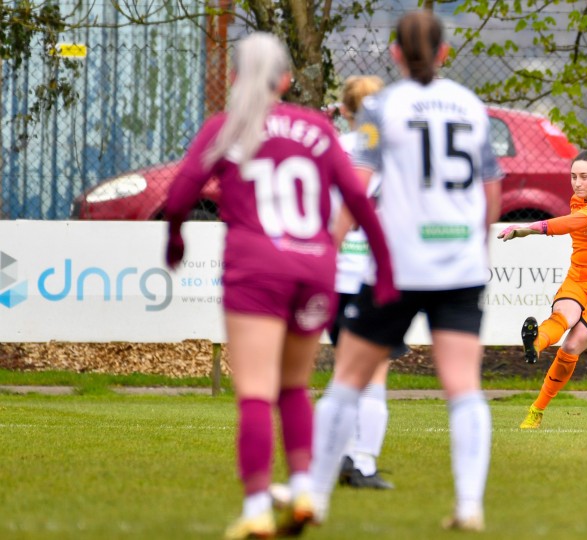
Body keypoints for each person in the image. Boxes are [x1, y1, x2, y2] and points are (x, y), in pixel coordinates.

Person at [163, 32, 397, 540]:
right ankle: (307, 491)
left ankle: (255, 507)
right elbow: (358, 200)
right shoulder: (316, 126)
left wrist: (174, 241)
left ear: (236, 78)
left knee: (254, 391)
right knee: (294, 386)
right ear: (287, 80)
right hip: (314, 268)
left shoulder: (228, 127)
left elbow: (180, 192)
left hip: (256, 267)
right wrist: (384, 266)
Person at [310, 10, 503, 532]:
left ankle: (316, 498)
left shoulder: (382, 106)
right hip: (459, 267)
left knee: (347, 380)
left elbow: (358, 186)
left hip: (397, 267)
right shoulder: (469, 105)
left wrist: (329, 245)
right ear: (444, 53)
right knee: (464, 386)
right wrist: (477, 247)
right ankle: (468, 505)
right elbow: (490, 191)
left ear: (395, 53)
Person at [497, 149, 587, 429]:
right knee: (561, 317)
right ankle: (535, 344)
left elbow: (576, 222)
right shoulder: (578, 199)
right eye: (573, 176)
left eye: (584, 177)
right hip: (581, 277)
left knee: (572, 344)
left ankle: (536, 411)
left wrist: (531, 228)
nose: (577, 183)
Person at [329, 74, 406, 490]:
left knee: (344, 370)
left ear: (343, 111)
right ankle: (362, 461)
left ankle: (338, 455)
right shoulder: (395, 154)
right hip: (374, 275)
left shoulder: (331, 150)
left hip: (335, 273)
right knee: (374, 372)